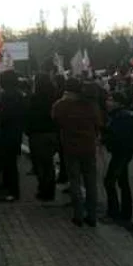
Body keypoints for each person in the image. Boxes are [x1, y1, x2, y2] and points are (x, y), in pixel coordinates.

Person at [52, 79, 103, 227]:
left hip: (70, 147)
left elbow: (55, 117)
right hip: (88, 147)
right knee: (91, 182)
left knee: (74, 181)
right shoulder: (91, 105)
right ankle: (92, 216)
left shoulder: (62, 105)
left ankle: (78, 215)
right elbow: (99, 123)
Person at [102, 92, 133, 226]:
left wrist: (106, 139)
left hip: (121, 154)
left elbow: (119, 137)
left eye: (111, 100)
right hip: (122, 153)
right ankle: (125, 213)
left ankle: (114, 213)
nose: (108, 102)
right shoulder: (118, 116)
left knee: (109, 182)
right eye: (108, 99)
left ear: (119, 103)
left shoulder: (122, 117)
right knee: (122, 183)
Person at [25, 74, 59, 201]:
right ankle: (50, 191)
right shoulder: (54, 98)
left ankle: (43, 189)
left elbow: (28, 115)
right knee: (49, 164)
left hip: (38, 135)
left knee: (40, 165)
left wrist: (27, 130)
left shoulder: (34, 99)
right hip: (52, 134)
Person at [0, 70, 26, 202]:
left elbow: (3, 115)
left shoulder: (7, 95)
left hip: (8, 133)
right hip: (15, 132)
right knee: (10, 163)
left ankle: (13, 192)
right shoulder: (19, 94)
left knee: (10, 164)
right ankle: (10, 188)